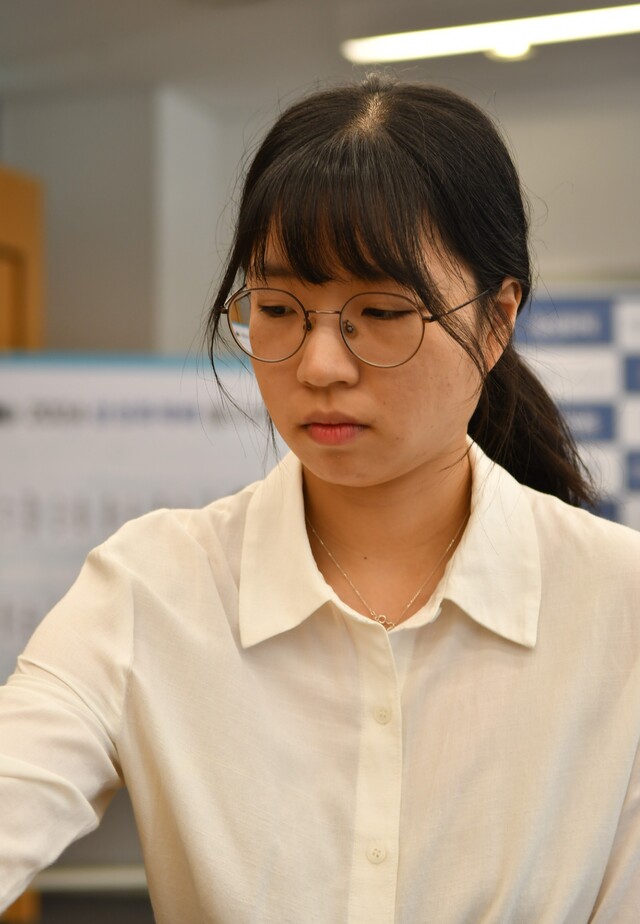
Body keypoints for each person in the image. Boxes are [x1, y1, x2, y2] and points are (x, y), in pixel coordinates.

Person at [1, 74, 639, 923]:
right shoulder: (150, 590)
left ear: (496, 321)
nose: (320, 365)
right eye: (277, 308)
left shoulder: (617, 605)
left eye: (381, 311)